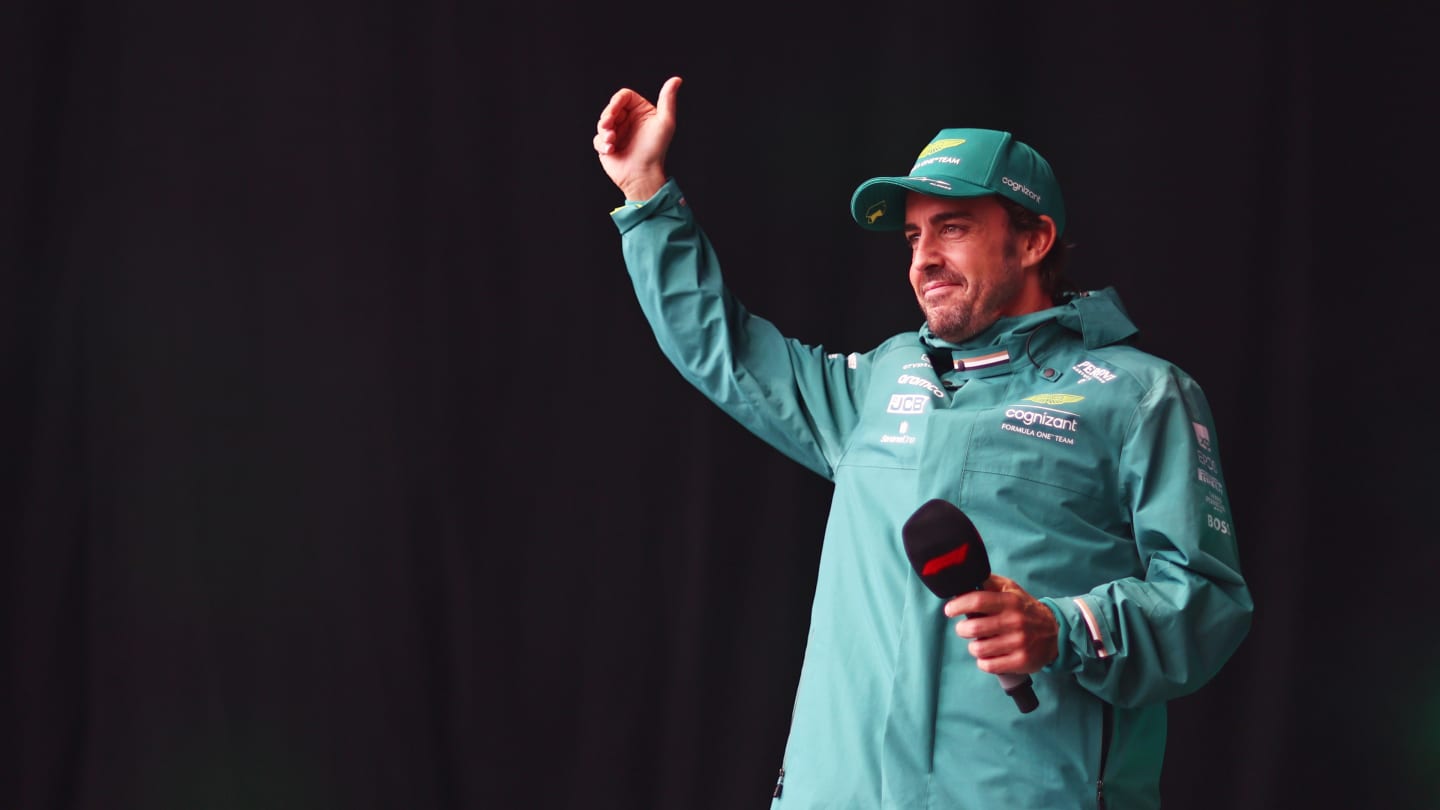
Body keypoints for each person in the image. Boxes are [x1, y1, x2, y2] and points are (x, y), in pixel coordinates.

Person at [592, 76, 1253, 809]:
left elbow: (1206, 602)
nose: (922, 259)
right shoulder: (881, 380)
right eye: (913, 235)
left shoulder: (1139, 395)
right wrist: (647, 196)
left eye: (954, 227)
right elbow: (724, 348)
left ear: (1033, 239)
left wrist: (1062, 628)